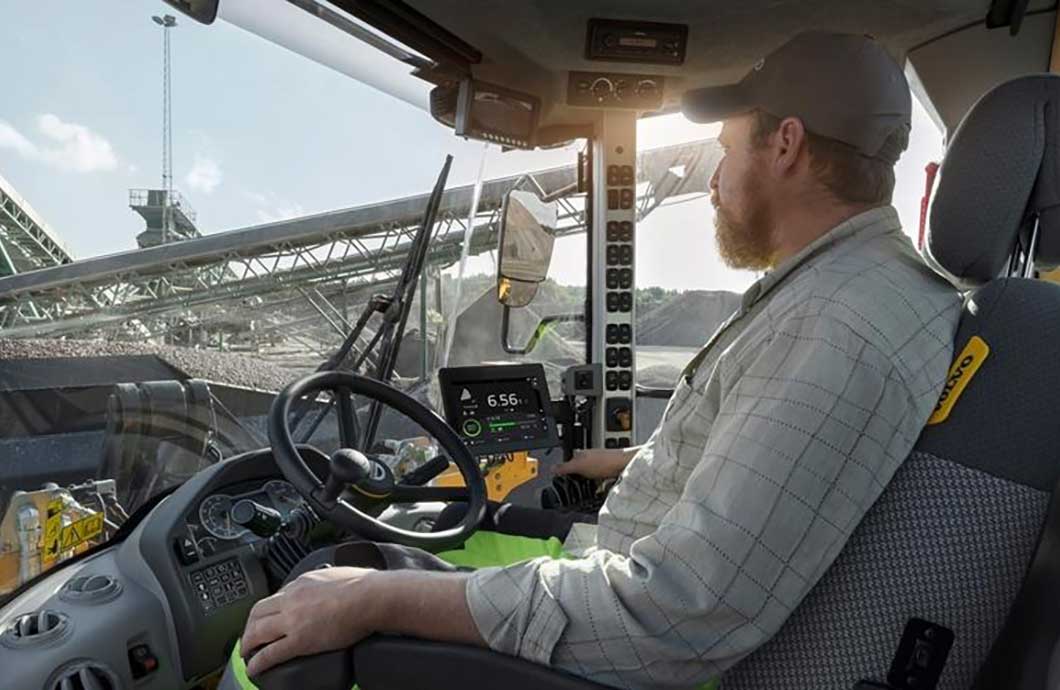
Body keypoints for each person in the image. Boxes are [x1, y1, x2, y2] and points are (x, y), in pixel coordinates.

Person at [232, 31, 962, 690]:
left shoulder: (834, 329)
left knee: (296, 622)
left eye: (727, 151)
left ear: (786, 146)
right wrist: (647, 458)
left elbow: (672, 617)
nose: (713, 182)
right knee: (381, 550)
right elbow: (777, 450)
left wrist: (379, 601)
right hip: (626, 564)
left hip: (635, 638)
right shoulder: (860, 291)